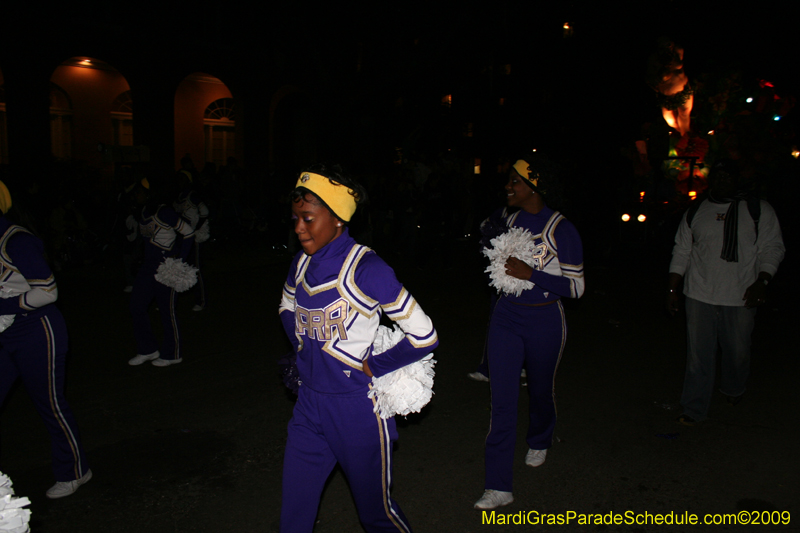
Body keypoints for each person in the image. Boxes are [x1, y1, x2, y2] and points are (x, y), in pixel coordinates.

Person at [278, 164, 438, 533]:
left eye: (307, 218)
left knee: (376, 516)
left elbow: (425, 335)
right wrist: (304, 346)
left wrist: (377, 365)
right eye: (295, 218)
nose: (298, 227)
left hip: (358, 411)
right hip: (308, 407)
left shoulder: (367, 268)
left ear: (336, 219)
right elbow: (287, 307)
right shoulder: (301, 263)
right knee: (294, 515)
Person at [475, 158, 584, 510]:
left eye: (515, 182)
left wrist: (531, 274)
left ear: (535, 187)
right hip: (506, 318)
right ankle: (498, 485)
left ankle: (540, 437)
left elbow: (577, 288)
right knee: (502, 401)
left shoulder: (561, 229)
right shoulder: (508, 219)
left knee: (540, 390)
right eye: (509, 181)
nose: (508, 187)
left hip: (545, 320)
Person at [667, 160, 785, 425]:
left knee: (738, 351)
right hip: (699, 293)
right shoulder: (697, 209)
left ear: (737, 179)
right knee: (698, 355)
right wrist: (674, 288)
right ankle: (693, 408)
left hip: (740, 295)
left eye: (727, 176)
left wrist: (762, 281)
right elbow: (682, 251)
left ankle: (734, 387)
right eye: (717, 176)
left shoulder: (758, 210)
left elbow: (772, 248)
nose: (721, 181)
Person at [0, 180, 92, 498]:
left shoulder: (17, 240)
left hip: (38, 330)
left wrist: (5, 305)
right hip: (5, 331)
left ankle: (75, 471)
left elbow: (48, 291)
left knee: (50, 404)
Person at [128, 178, 195, 367]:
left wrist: (179, 261)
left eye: (140, 192)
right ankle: (147, 349)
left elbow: (189, 232)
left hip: (166, 269)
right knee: (136, 306)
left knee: (168, 312)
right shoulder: (143, 211)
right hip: (148, 268)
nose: (136, 195)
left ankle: (172, 353)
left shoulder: (165, 212)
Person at [173, 165, 210, 311]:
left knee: (197, 269)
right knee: (179, 267)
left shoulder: (192, 196)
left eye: (182, 179)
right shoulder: (178, 197)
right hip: (181, 238)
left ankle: (201, 300)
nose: (179, 182)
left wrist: (195, 229)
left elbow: (205, 212)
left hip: (194, 239)